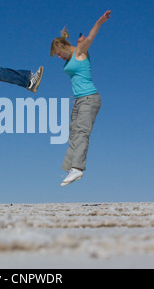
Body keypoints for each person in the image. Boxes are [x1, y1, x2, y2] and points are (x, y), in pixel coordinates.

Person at [50, 11, 111, 187]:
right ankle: (71, 168)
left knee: (82, 132)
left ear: (62, 47)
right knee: (74, 134)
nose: (59, 58)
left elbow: (91, 36)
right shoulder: (71, 56)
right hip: (78, 101)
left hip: (90, 99)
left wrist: (99, 22)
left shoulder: (80, 51)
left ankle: (77, 168)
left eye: (59, 54)